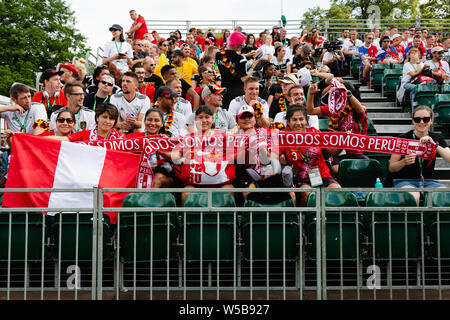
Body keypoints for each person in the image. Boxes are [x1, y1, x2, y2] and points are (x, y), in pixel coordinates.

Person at [172, 106, 235, 206]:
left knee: (229, 191)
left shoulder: (222, 137)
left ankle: (228, 221)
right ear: (195, 120)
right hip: (195, 183)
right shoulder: (189, 138)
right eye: (200, 117)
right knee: (186, 193)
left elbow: (233, 155)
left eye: (207, 117)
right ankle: (187, 221)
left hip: (221, 182)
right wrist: (161, 151)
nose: (204, 120)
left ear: (212, 119)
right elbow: (176, 155)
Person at [280, 105, 341, 206]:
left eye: (301, 119)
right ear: (288, 122)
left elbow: (333, 151)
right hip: (301, 179)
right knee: (308, 194)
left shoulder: (314, 133)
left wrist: (344, 142)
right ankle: (307, 219)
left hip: (323, 175)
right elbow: (275, 156)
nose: (298, 123)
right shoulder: (284, 138)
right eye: (294, 120)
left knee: (337, 191)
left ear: (306, 121)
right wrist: (282, 159)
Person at [389, 106, 450, 205]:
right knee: (413, 196)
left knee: (443, 196)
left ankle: (431, 220)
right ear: (413, 121)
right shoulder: (403, 139)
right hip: (405, 181)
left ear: (431, 120)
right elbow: (392, 168)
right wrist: (404, 162)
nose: (421, 122)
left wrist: (434, 145)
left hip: (428, 181)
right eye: (417, 119)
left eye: (425, 119)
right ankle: (416, 221)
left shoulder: (436, 138)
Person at [306, 79, 368, 175]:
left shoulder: (358, 107)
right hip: (338, 152)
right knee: (336, 169)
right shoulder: (334, 108)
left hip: (356, 152)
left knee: (368, 168)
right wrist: (310, 94)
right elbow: (311, 111)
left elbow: (361, 111)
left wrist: (348, 94)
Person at [126, 108, 175, 188]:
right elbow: (117, 146)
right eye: (149, 120)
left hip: (162, 176)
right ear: (144, 122)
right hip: (137, 173)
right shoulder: (133, 138)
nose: (152, 123)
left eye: (156, 120)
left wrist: (159, 149)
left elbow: (177, 158)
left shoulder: (167, 140)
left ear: (162, 123)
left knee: (158, 178)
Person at [216, 32, 260, 109]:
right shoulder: (240, 59)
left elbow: (230, 57)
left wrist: (246, 55)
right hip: (237, 93)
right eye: (242, 45)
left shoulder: (219, 55)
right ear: (237, 45)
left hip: (224, 90)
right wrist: (253, 66)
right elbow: (244, 79)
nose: (243, 46)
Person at [50, 103, 123, 142]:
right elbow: (64, 139)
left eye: (111, 119)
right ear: (97, 118)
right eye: (104, 117)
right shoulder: (85, 134)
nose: (107, 121)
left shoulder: (120, 139)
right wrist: (38, 140)